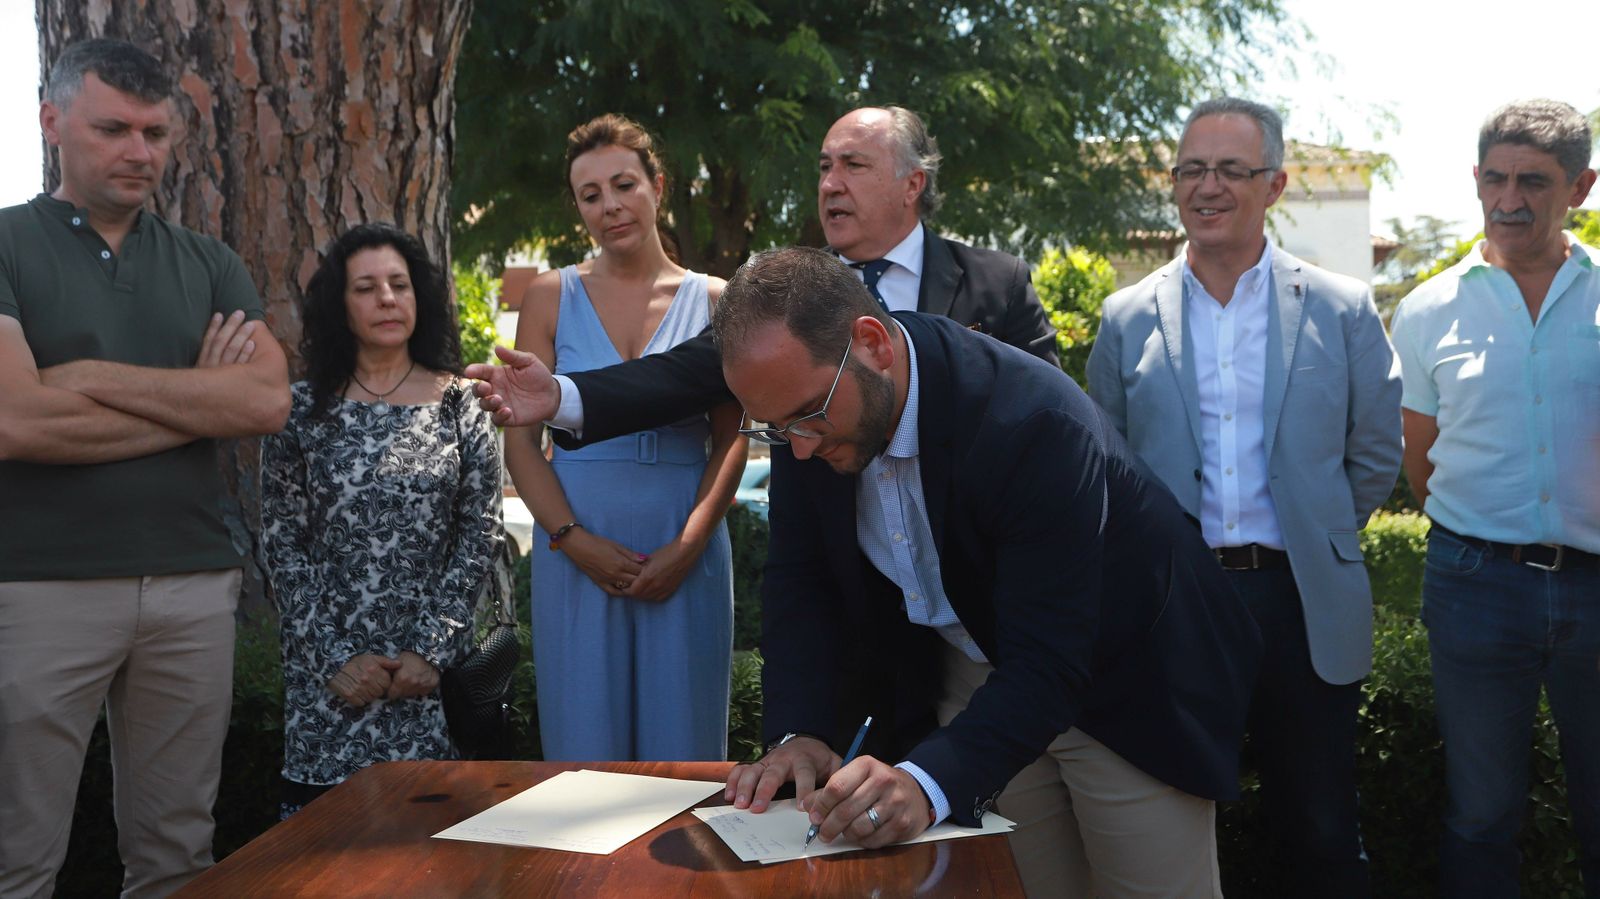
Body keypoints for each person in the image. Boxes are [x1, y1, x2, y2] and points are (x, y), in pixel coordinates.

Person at [710, 247, 1260, 896]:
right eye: (776, 429)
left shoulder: (1030, 419)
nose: (797, 446)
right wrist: (798, 730)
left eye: (806, 416)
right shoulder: (807, 413)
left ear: (872, 343)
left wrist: (926, 781)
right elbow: (800, 581)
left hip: (1129, 682)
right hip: (979, 677)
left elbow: (1052, 658)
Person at [1086, 97, 1402, 896]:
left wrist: (1318, 529)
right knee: (1175, 822)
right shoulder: (1126, 318)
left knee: (1323, 825)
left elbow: (1373, 451)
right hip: (1176, 605)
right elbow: (1106, 462)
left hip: (1300, 600)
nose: (1209, 186)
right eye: (1192, 169)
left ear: (1275, 183)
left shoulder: (1339, 306)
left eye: (1231, 169)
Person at [0, 39, 290, 897]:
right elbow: (15, 419)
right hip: (39, 585)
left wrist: (86, 380)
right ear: (52, 122)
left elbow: (265, 402)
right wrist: (196, 398)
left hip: (192, 586)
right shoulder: (9, 244)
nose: (139, 152)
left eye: (156, 133)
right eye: (113, 128)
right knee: (17, 855)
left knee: (177, 857)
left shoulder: (209, 263)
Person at [468, 105, 1057, 446]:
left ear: (912, 184)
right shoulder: (786, 290)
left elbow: (1047, 418)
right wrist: (563, 395)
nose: (830, 184)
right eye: (825, 167)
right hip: (845, 601)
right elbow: (682, 375)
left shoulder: (996, 284)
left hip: (973, 589)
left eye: (853, 166)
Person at [1389, 98, 1600, 897]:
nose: (1509, 199)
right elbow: (1422, 466)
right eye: (1495, 177)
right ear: (1476, 180)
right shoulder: (1428, 309)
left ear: (1580, 186)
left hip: (1599, 582)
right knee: (1480, 816)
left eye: (1534, 182)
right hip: (1476, 583)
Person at [503, 114, 742, 761]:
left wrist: (689, 544)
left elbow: (732, 439)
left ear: (657, 185)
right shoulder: (550, 296)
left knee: (685, 755)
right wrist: (571, 541)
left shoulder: (719, 299)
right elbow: (522, 445)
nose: (610, 205)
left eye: (623, 184)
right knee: (584, 754)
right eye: (590, 195)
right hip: (577, 541)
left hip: (682, 540)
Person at [259, 223, 503, 818]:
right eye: (366, 288)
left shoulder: (460, 404)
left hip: (432, 687)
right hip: (330, 687)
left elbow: (480, 536)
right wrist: (335, 658)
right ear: (339, 306)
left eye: (399, 284)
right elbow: (281, 542)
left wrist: (431, 651)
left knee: (433, 859)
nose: (387, 298)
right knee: (320, 867)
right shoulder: (298, 411)